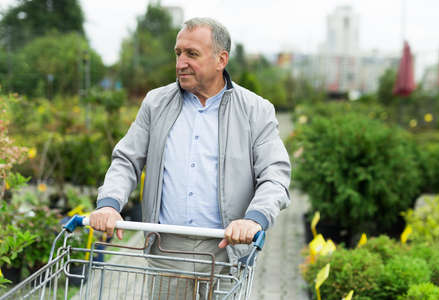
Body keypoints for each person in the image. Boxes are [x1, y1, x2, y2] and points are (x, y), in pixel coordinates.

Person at [89, 17, 290, 298]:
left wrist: (254, 219)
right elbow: (127, 160)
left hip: (225, 252)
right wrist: (109, 204)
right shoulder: (156, 103)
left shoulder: (256, 110)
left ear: (221, 59)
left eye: (192, 54)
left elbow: (275, 175)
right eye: (178, 53)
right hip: (168, 251)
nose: (180, 62)